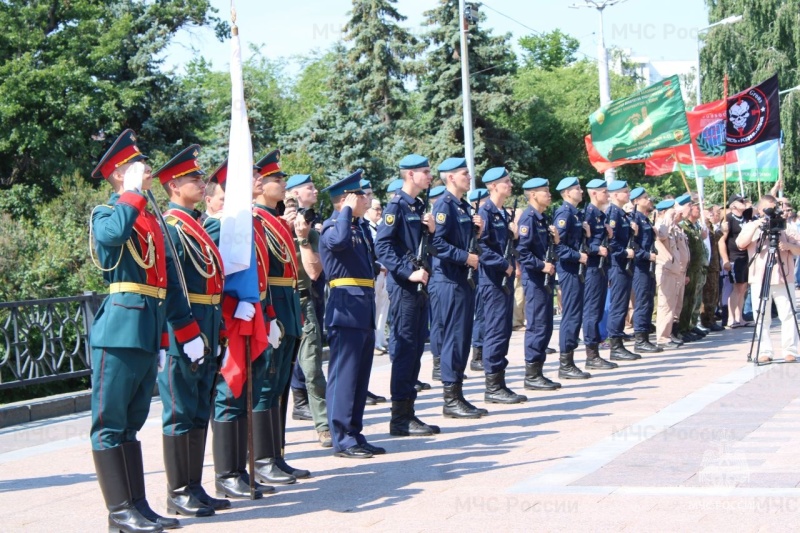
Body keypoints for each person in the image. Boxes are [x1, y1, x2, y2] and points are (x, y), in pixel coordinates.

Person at [88, 129, 177, 532]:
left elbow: (160, 279)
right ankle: (118, 511)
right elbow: (110, 238)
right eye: (134, 167)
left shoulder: (145, 219)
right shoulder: (108, 213)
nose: (144, 171)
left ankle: (136, 505)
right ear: (118, 175)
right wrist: (131, 191)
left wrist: (162, 338)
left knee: (131, 423)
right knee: (109, 423)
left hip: (145, 331)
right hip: (119, 331)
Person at [153, 146, 229, 517]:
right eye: (193, 179)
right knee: (180, 410)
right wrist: (185, 333)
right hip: (186, 331)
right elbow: (170, 287)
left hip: (208, 327)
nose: (201, 183)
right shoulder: (172, 226)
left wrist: (218, 331)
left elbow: (212, 282)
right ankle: (178, 490)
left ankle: (195, 486)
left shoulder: (194, 225)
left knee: (199, 409)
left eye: (200, 178)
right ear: (172, 185)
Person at [204, 159, 275, 501]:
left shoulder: (248, 224)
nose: (258, 179)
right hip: (231, 320)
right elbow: (210, 280)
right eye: (251, 176)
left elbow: (261, 276)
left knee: (247, 391)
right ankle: (226, 474)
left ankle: (240, 470)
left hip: (253, 315)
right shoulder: (221, 226)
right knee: (229, 394)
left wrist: (269, 313)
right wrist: (233, 308)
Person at [251, 149, 309, 483]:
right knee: (266, 385)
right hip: (273, 309)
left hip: (287, 308)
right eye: (276, 179)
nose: (282, 184)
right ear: (260, 187)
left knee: (279, 388)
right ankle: (262, 459)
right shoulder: (258, 221)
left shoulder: (275, 222)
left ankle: (276, 454)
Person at [375, 154, 441, 436]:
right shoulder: (396, 206)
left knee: (415, 350)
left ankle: (409, 413)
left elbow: (424, 246)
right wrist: (406, 271)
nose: (429, 177)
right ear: (410, 175)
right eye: (425, 172)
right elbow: (383, 246)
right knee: (404, 350)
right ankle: (400, 418)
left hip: (419, 285)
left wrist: (432, 230)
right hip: (404, 287)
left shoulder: (417, 206)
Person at [319, 169, 384, 457]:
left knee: (359, 376)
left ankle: (355, 433)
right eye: (359, 195)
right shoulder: (334, 226)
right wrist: (345, 210)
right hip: (345, 308)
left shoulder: (357, 227)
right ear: (345, 199)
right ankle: (342, 438)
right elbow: (339, 243)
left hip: (362, 306)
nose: (365, 198)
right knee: (344, 375)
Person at [431, 158, 488, 418]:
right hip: (450, 279)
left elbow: (461, 241)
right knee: (454, 339)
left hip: (462, 279)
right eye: (465, 173)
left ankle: (458, 394)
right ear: (451, 178)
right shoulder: (444, 205)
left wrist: (476, 233)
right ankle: (450, 399)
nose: (469, 176)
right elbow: (437, 244)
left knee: (462, 338)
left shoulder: (462, 206)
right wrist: (466, 258)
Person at [285, 174, 332, 448]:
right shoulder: (268, 228)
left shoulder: (309, 231)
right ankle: (271, 440)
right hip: (274, 304)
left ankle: (324, 426)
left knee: (313, 369)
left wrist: (302, 238)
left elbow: (314, 272)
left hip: (303, 302)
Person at [476, 168, 527, 402]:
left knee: (504, 330)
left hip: (503, 277)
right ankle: (493, 387)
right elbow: (481, 248)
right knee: (496, 331)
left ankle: (500, 383)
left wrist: (514, 237)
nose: (510, 185)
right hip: (492, 278)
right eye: (506, 182)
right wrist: (503, 264)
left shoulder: (501, 213)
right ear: (493, 186)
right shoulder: (485, 212)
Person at [736, 195, 800, 363]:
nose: (773, 212)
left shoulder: (784, 227)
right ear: (760, 209)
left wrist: (789, 246)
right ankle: (765, 350)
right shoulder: (752, 226)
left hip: (783, 277)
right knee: (761, 316)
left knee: (788, 314)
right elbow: (740, 243)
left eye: (775, 207)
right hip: (760, 277)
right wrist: (757, 226)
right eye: (769, 208)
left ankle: (790, 350)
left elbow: (799, 248)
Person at [516, 177, 561, 391]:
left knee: (546, 325)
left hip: (545, 278)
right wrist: (541, 265)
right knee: (536, 326)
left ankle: (539, 371)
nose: (549, 195)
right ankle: (531, 375)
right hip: (535, 279)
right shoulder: (528, 219)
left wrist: (557, 241)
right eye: (545, 191)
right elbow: (522, 252)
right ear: (533, 194)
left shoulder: (542, 218)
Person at [553, 177, 592, 379]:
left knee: (576, 314)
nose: (581, 192)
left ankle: (569, 360)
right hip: (569, 268)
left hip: (576, 268)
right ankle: (565, 363)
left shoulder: (575, 214)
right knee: (571, 315)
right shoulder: (564, 213)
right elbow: (558, 246)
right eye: (577, 189)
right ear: (567, 193)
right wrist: (578, 256)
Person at [581, 179, 617, 369]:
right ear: (594, 193)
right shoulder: (588, 214)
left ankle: (595, 352)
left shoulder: (601, 215)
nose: (608, 195)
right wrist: (596, 249)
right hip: (592, 268)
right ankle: (591, 354)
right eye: (604, 192)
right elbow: (582, 243)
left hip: (602, 267)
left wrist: (608, 237)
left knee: (597, 310)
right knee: (592, 311)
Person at [605, 181, 641, 361]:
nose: (628, 194)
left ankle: (618, 340)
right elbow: (611, 242)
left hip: (624, 264)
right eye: (625, 192)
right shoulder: (613, 213)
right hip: (617, 264)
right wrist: (624, 252)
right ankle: (615, 345)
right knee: (618, 306)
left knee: (622, 303)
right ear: (615, 194)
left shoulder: (622, 214)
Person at [629, 187, 662, 353]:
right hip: (640, 265)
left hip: (648, 265)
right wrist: (646, 255)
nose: (648, 200)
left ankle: (646, 335)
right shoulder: (633, 219)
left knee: (648, 300)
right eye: (645, 198)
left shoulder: (645, 219)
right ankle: (640, 339)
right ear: (636, 201)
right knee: (642, 301)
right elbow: (633, 245)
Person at [653, 199, 684, 350]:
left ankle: (668, 334)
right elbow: (662, 236)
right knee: (665, 305)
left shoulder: (670, 226)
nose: (677, 212)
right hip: (665, 269)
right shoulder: (660, 225)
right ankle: (662, 338)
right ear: (664, 211)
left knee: (671, 305)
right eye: (673, 209)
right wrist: (667, 218)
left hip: (673, 270)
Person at [720, 195, 754, 328]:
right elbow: (721, 241)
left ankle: (740, 317)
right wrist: (725, 260)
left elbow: (761, 207)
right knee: (736, 287)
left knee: (743, 287)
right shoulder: (728, 219)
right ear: (733, 205)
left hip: (746, 256)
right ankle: (731, 318)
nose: (744, 203)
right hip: (735, 257)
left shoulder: (746, 217)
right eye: (740, 201)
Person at [365, 197, 390, 353]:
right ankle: (373, 342)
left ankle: (380, 339)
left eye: (381, 208)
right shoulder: (366, 227)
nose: (379, 212)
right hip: (375, 273)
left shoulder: (379, 227)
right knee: (374, 307)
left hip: (385, 273)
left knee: (383, 307)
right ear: (368, 210)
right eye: (376, 209)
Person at [467, 187, 489, 371]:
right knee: (480, 314)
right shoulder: (475, 218)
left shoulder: (483, 218)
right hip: (478, 272)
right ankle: (477, 355)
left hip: (484, 272)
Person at [701, 204, 724, 332]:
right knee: (707, 295)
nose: (711, 214)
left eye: (712, 211)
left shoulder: (710, 227)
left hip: (714, 264)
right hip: (707, 265)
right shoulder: (703, 226)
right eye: (709, 211)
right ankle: (706, 320)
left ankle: (710, 318)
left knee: (714, 293)